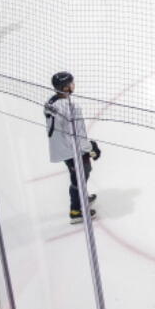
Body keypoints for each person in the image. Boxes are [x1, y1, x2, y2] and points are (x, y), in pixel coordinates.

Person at [44, 72, 101, 224]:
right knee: (81, 175)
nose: (73, 85)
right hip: (71, 150)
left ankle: (82, 197)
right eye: (71, 83)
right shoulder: (71, 107)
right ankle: (76, 210)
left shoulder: (51, 101)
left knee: (80, 175)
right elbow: (77, 135)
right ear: (65, 87)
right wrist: (90, 148)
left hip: (61, 147)